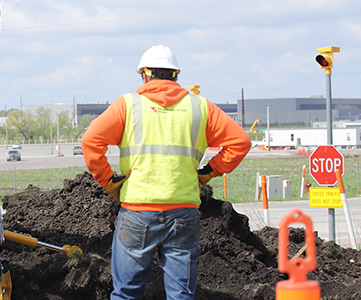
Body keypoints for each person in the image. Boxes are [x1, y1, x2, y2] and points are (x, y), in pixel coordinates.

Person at [81, 45, 251, 300]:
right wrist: (209, 172)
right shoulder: (200, 107)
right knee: (181, 294)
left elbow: (90, 141)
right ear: (175, 75)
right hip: (183, 212)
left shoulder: (128, 105)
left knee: (126, 293)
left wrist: (107, 181)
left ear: (145, 75)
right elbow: (240, 142)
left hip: (138, 212)